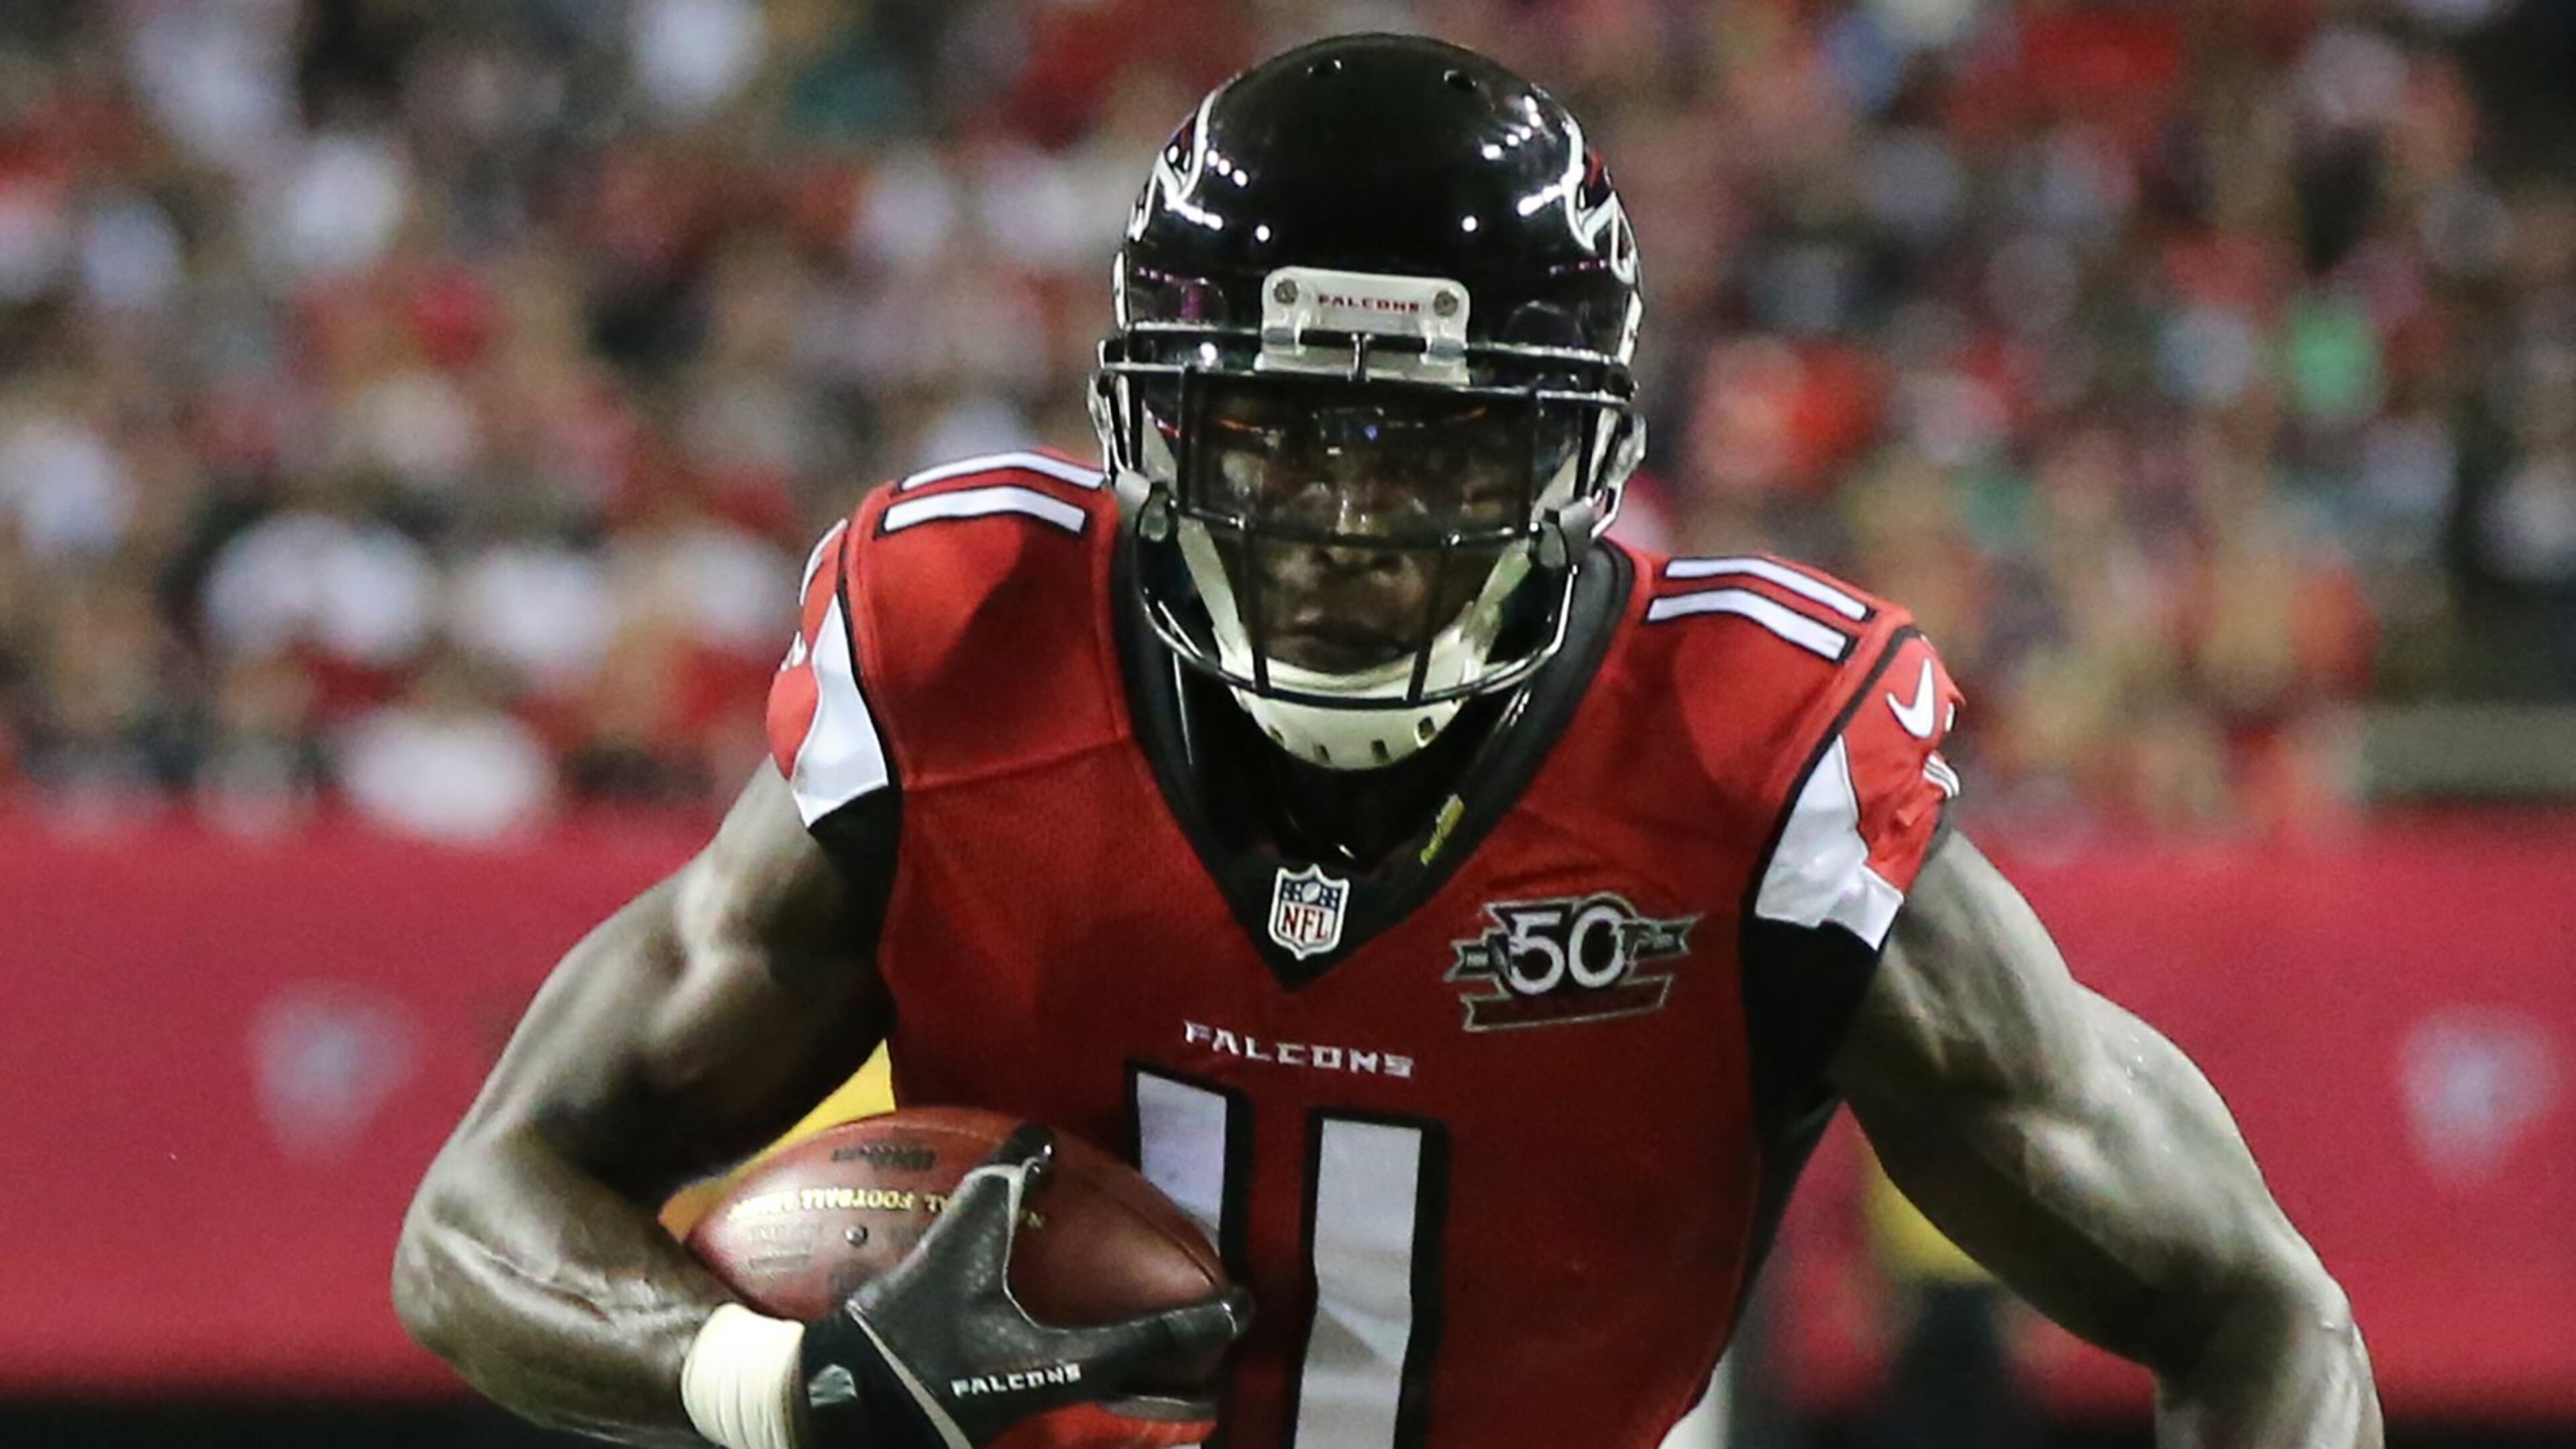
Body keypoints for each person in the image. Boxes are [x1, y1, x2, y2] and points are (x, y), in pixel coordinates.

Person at [394, 34, 2381, 1449]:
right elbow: (486, 1216)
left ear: (1578, 455)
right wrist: (767, 1385)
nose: (1347, 528)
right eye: (1273, 431)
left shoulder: (1746, 771)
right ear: (1158, 427)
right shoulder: (967, 655)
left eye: (1434, 443)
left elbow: (2253, 1305)